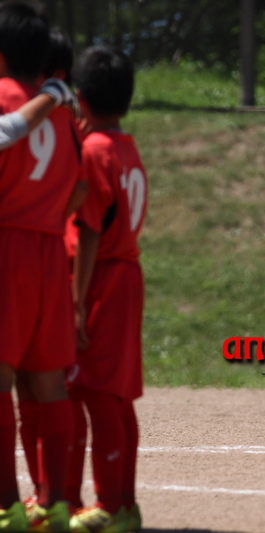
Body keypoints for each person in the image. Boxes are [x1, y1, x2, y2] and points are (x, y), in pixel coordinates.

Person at [0, 3, 83, 531]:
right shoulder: (60, 110)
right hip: (50, 248)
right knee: (47, 383)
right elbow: (78, 187)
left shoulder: (6, 99)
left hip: (5, 243)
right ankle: (54, 502)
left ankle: (6, 504)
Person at [66, 46, 146, 531]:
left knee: (94, 392)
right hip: (126, 273)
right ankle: (124, 503)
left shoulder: (94, 151)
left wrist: (75, 304)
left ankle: (108, 507)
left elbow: (91, 230)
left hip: (102, 276)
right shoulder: (125, 146)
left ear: (80, 98)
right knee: (116, 396)